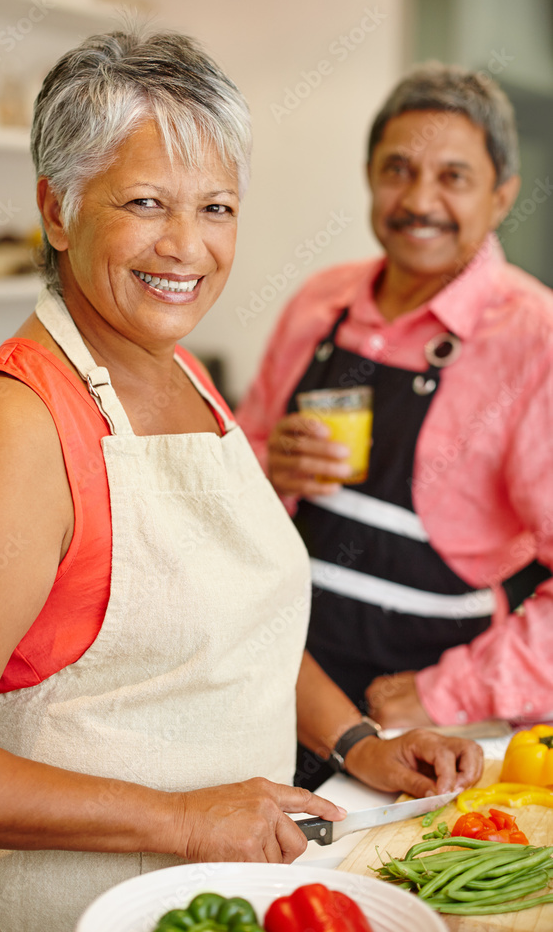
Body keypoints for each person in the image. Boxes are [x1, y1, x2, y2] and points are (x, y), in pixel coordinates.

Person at [0, 35, 481, 932]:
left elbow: (244, 632)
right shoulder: (14, 427)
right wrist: (181, 817)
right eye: (145, 203)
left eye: (216, 207)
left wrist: (361, 743)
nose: (188, 246)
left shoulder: (184, 375)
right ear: (58, 209)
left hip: (214, 904)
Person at [237, 62, 553, 789]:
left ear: (501, 195)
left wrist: (446, 694)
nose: (419, 200)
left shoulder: (532, 340)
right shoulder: (322, 303)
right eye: (398, 170)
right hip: (272, 686)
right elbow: (235, 478)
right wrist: (266, 469)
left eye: (452, 177)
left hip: (422, 733)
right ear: (369, 176)